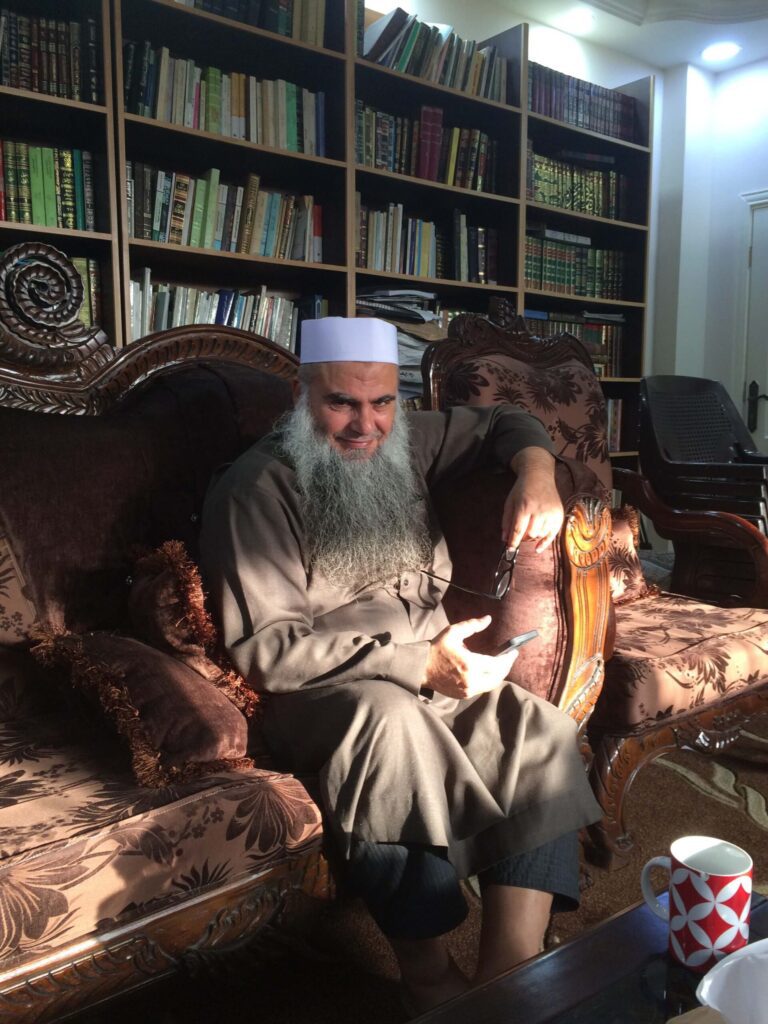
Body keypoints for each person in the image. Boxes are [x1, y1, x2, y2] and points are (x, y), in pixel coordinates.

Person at [199, 317, 601, 1014]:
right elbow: (268, 651)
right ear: (302, 397)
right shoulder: (256, 489)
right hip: (330, 690)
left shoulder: (408, 439)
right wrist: (418, 666)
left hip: (432, 668)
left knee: (535, 729)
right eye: (341, 404)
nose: (365, 425)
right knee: (390, 727)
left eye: (381, 402)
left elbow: (505, 419)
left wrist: (538, 474)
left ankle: (510, 979)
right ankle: (430, 979)